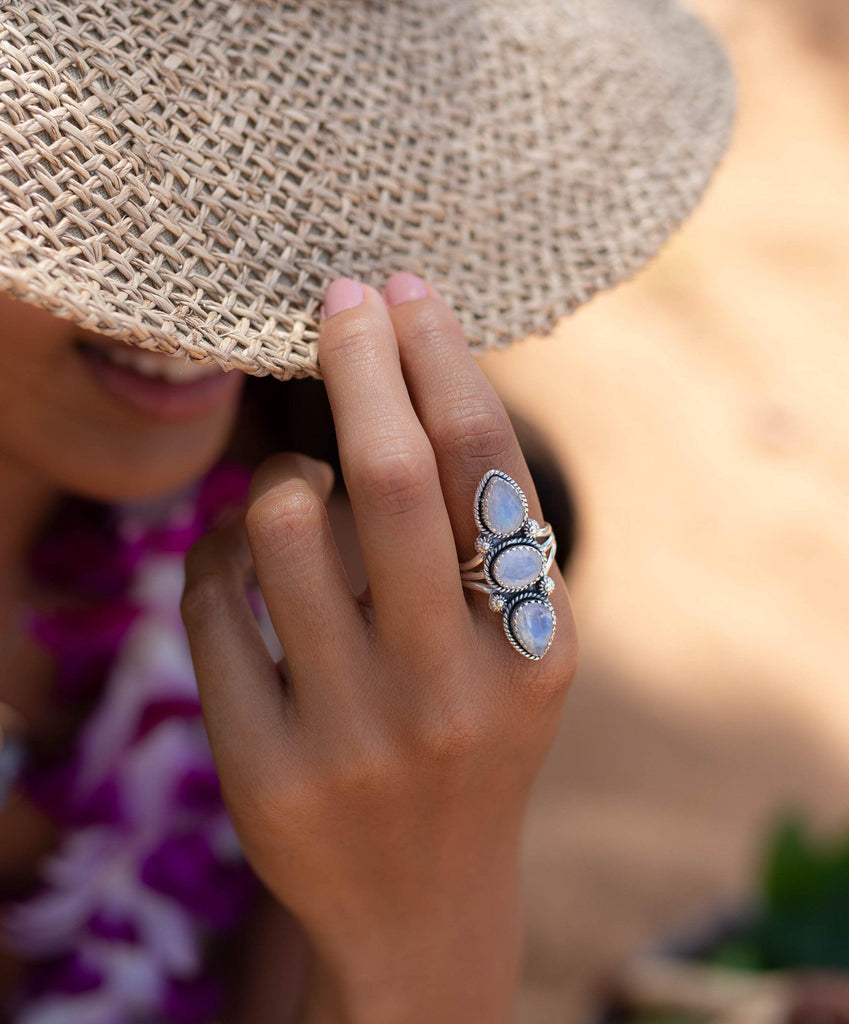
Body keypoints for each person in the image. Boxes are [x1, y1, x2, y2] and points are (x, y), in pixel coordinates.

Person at [0, 2, 734, 1021]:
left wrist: (426, 909)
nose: (224, 264)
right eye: (113, 151)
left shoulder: (334, 568)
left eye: (288, 158)